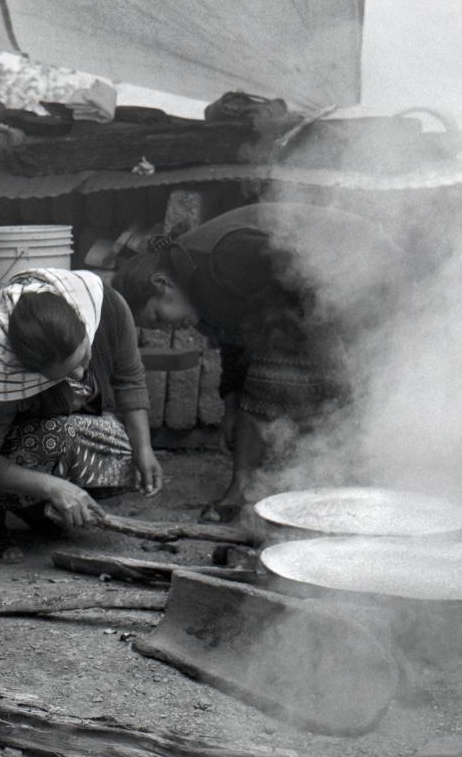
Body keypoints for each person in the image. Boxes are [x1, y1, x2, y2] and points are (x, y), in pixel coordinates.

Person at [114, 201, 399, 522]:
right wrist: (232, 405)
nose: (169, 329)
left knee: (303, 378)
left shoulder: (221, 257)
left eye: (157, 317)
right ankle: (250, 487)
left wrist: (334, 366)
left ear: (160, 284)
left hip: (366, 262)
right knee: (270, 373)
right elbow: (237, 342)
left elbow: (302, 275)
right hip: (324, 289)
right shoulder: (197, 288)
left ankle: (352, 481)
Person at [0, 267, 162, 562]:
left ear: (82, 322)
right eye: (64, 373)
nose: (81, 374)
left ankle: (32, 507)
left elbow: (129, 377)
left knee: (123, 446)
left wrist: (144, 448)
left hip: (46, 423)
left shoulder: (105, 304)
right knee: (55, 435)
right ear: (29, 371)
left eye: (82, 357)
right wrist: (54, 487)